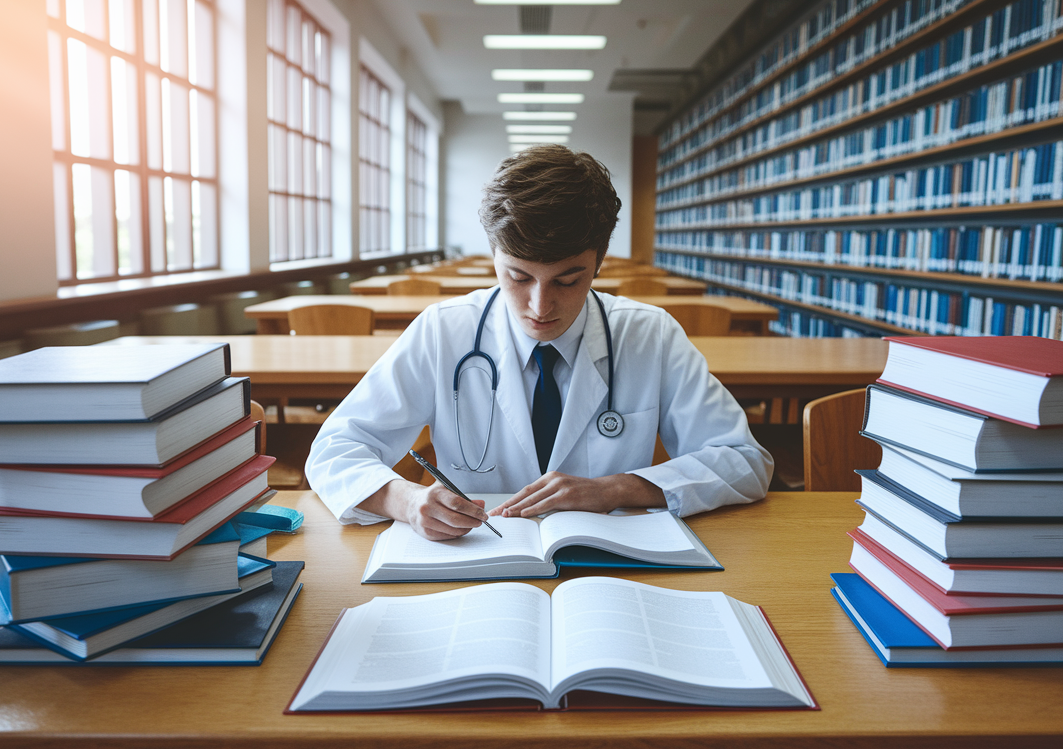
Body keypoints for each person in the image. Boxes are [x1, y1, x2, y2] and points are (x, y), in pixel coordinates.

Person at [307, 145, 773, 540]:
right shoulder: (443, 330)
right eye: (518, 276)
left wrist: (616, 489)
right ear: (494, 256)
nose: (539, 305)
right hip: (478, 565)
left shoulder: (649, 334)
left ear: (599, 263)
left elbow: (744, 461)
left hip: (610, 567)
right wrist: (405, 500)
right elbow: (335, 450)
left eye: (568, 280)